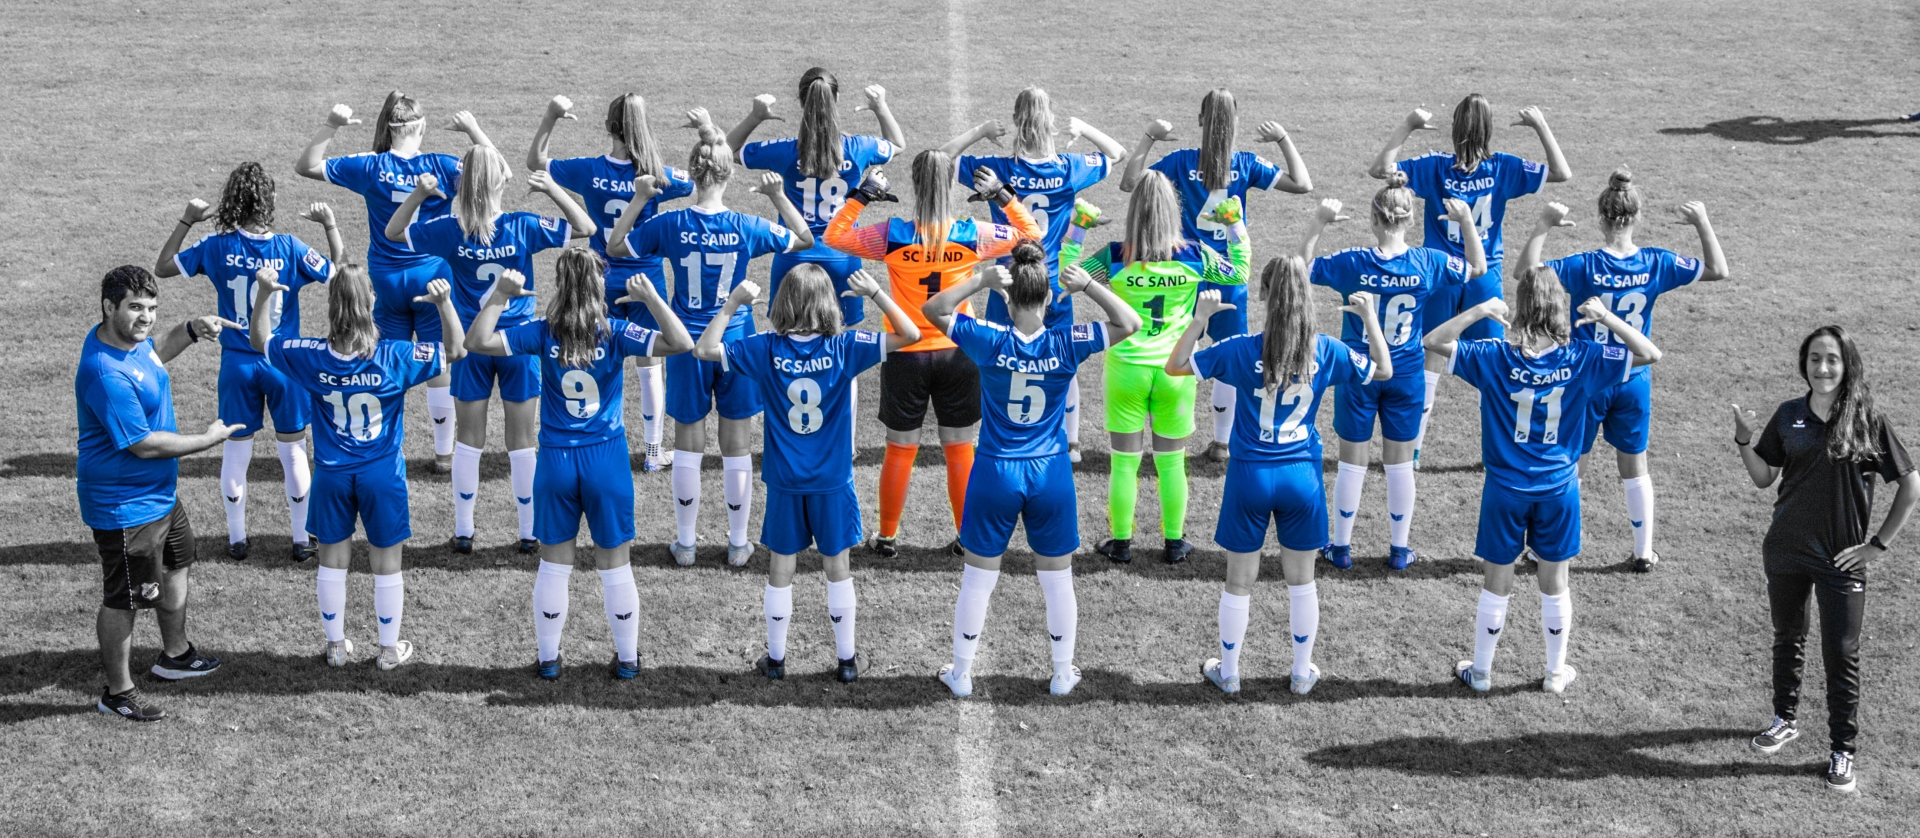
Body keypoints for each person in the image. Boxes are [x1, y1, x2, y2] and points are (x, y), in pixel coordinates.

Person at [1423, 268, 1659, 697]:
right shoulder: (1583, 357)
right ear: (1562, 307)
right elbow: (1649, 353)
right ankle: (1554, 673)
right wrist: (1607, 318)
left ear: (1521, 306)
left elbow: (1433, 341)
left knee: (1497, 582)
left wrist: (1480, 310)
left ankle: (1481, 672)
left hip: (1504, 488)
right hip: (1558, 487)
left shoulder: (1495, 355)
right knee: (1555, 583)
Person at [923, 244, 1142, 698]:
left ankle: (961, 674)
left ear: (1008, 301)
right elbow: (1130, 323)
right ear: (1047, 299)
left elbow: (934, 309)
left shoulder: (989, 338)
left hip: (995, 470)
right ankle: (1062, 674)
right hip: (1050, 473)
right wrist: (1089, 286)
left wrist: (980, 281)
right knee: (1057, 579)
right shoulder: (1066, 341)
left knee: (977, 579)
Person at [465, 254, 693, 680]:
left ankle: (548, 659)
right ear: (598, 287)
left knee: (554, 565)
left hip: (555, 461)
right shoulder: (616, 331)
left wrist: (499, 295)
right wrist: (652, 298)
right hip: (606, 460)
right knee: (616, 566)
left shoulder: (541, 331)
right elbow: (681, 343)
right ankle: (628, 660)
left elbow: (476, 342)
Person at [1169, 261, 1391, 696]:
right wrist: (1370, 319)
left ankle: (1229, 673)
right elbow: (1382, 370)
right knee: (1302, 582)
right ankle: (1301, 673)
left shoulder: (1240, 348)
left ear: (1262, 295)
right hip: (1301, 476)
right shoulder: (1326, 350)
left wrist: (1199, 319)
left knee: (1239, 582)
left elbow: (1176, 366)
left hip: (1249, 475)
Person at [695, 267, 919, 683]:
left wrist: (731, 305)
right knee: (838, 567)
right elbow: (911, 334)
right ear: (827, 303)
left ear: (783, 301)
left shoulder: (764, 348)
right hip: (832, 480)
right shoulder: (845, 345)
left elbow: (704, 349)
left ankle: (776, 660)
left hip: (784, 480)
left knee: (781, 567)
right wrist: (875, 293)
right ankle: (847, 661)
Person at [610, 112, 812, 567]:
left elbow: (617, 246)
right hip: (736, 341)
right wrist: (778, 196)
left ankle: (686, 544)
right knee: (736, 444)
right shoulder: (747, 225)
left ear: (693, 171)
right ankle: (738, 544)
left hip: (685, 341)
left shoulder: (670, 223)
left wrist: (640, 198)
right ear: (728, 174)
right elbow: (803, 239)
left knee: (688, 442)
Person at [1513, 171, 1731, 572]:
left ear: (1601, 218)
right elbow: (1718, 269)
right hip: (1633, 375)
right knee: (1634, 466)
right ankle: (1644, 552)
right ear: (1638, 217)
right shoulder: (1658, 262)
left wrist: (1543, 225)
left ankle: (1546, 549)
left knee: (1571, 464)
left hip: (1588, 378)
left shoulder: (1583, 265)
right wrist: (1702, 222)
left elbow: (1526, 275)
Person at [825, 154, 1041, 557]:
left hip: (905, 351)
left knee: (900, 447)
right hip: (958, 351)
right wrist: (1002, 195)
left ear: (914, 184)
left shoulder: (893, 235)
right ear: (952, 184)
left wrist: (862, 196)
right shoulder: (972, 234)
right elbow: (1032, 235)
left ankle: (886, 537)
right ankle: (967, 537)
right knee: (959, 447)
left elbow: (834, 236)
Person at [252, 265, 463, 671]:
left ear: (332, 304)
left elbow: (260, 339)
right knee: (387, 564)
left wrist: (264, 293)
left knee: (331, 562)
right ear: (372, 302)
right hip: (382, 474)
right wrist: (444, 304)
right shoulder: (394, 355)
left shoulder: (309, 354)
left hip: (331, 474)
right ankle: (388, 650)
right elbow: (454, 350)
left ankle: (335, 647)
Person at [1735, 326, 1918, 794]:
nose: (1822, 368)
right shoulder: (1789, 414)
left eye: (1832, 359)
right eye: (1814, 358)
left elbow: (1910, 483)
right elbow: (1764, 477)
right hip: (1785, 549)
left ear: (1847, 364)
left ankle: (1842, 749)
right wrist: (1744, 441)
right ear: (1805, 363)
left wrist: (1877, 545)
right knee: (1787, 637)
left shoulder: (1867, 420)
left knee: (1841, 653)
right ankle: (1784, 719)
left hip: (1842, 560)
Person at [385, 146, 594, 554]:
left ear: (461, 184)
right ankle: (529, 533)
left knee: (468, 440)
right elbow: (584, 226)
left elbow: (394, 233)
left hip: (471, 342)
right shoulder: (522, 225)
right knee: (522, 440)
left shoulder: (450, 228)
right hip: (519, 343)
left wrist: (417, 195)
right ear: (500, 181)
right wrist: (552, 188)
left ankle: (464, 530)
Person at [1368, 97, 1572, 468]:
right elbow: (1561, 173)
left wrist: (1408, 125)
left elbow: (1379, 169)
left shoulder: (1434, 166)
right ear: (1489, 130)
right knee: (1496, 366)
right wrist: (1541, 125)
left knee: (1428, 362)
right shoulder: (1504, 167)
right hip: (1484, 277)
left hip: (1441, 276)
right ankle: (1499, 454)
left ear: (1454, 129)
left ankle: (1413, 452)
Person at [79, 265, 243, 722]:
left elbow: (154, 354)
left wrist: (190, 330)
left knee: (176, 566)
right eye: (135, 308)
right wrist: (207, 440)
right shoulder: (105, 372)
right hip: (125, 506)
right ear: (109, 306)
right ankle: (118, 692)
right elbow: (143, 444)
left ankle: (175, 655)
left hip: (159, 496)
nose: (146, 318)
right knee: (125, 598)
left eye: (151, 308)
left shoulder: (129, 345)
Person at [154, 165, 342, 562]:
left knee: (236, 453)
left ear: (232, 203)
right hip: (283, 364)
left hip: (237, 365)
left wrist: (187, 219)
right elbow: (339, 277)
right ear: (270, 201)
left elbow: (164, 266)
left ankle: (237, 539)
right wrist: (329, 226)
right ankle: (301, 540)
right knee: (294, 452)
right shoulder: (291, 247)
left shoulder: (216, 245)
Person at [296, 94, 491, 471]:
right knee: (439, 363)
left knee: (385, 364)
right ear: (422, 126)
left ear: (388, 127)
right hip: (431, 277)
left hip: (386, 279)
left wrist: (332, 124)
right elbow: (497, 172)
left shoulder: (371, 165)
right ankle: (443, 456)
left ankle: (384, 449)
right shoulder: (442, 165)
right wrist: (472, 130)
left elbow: (307, 166)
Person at [1119, 89, 1314, 463]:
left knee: (1178, 351)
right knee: (1228, 356)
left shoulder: (1180, 161)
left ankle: (1169, 436)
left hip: (1187, 271)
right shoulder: (1247, 163)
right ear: (1236, 122)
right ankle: (1222, 443)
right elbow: (1302, 183)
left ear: (1200, 120)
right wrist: (1283, 139)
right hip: (1229, 273)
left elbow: (1130, 183)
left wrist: (1149, 137)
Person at [1058, 180, 1247, 565]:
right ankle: (1174, 543)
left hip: (1126, 370)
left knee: (1124, 462)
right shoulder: (1196, 255)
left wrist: (1077, 227)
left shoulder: (1115, 256)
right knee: (1172, 462)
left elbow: (1068, 276)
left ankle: (1121, 543)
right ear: (1173, 211)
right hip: (1176, 370)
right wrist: (1234, 224)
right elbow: (1239, 272)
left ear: (1134, 212)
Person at [1301, 176, 1484, 571]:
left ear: (1373, 219)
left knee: (1352, 462)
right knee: (1399, 464)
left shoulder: (1352, 262)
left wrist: (1319, 222)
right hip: (1406, 373)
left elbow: (1301, 268)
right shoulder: (1429, 261)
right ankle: (1400, 550)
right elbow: (1477, 267)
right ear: (1411, 220)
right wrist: (1467, 222)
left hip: (1359, 372)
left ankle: (1341, 547)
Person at [941, 87, 1129, 464]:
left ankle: (1000, 432)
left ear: (1015, 120)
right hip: (1053, 282)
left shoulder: (998, 169)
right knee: (1064, 359)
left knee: (997, 356)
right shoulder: (1069, 168)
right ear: (1051, 121)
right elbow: (1117, 153)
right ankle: (1071, 443)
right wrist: (1084, 128)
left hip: (1007, 281)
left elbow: (941, 159)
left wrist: (980, 131)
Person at [527, 92, 694, 473]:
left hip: (598, 277)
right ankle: (653, 452)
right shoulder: (658, 175)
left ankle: (588, 435)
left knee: (593, 356)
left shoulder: (587, 170)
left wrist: (551, 116)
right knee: (651, 365)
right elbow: (695, 181)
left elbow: (536, 161)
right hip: (645, 278)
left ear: (608, 127)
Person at [728, 67, 904, 327]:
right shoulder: (858, 148)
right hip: (843, 257)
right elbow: (897, 145)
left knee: (786, 336)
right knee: (841, 342)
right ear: (837, 99)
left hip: (793, 255)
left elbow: (728, 150)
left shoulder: (786, 151)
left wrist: (755, 117)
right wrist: (880, 107)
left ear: (802, 101)